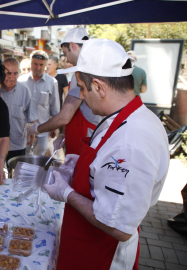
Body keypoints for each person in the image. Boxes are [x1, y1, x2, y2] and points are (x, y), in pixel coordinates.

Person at [43, 39, 169, 269]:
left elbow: (117, 226)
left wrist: (67, 193)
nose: (81, 95)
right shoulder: (119, 117)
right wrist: (81, 165)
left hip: (103, 254)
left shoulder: (132, 142)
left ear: (100, 87)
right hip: (85, 242)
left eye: (82, 88)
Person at [28, 28, 102, 156]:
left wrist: (37, 129)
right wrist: (63, 134)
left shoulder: (82, 73)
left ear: (72, 45)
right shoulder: (91, 67)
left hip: (85, 137)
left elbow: (64, 117)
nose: (66, 59)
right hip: (82, 132)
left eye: (65, 52)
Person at [18, 51, 60, 156]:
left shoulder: (52, 82)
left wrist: (55, 127)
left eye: (41, 64)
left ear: (45, 65)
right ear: (31, 63)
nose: (38, 67)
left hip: (42, 129)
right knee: (22, 158)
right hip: (23, 129)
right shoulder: (21, 81)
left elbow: (55, 107)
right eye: (35, 64)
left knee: (39, 159)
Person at [0, 57, 38, 167]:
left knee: (16, 176)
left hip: (17, 143)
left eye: (15, 73)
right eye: (8, 73)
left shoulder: (24, 91)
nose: (11, 77)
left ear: (19, 73)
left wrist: (32, 132)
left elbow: (32, 116)